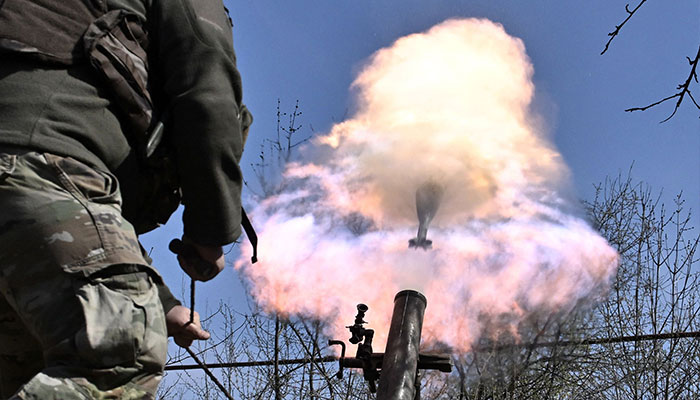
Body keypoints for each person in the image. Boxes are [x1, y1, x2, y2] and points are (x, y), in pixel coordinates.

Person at [0, 0, 250, 397]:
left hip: (27, 188)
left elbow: (78, 222)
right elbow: (208, 96)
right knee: (122, 350)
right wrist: (211, 229)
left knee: (28, 368)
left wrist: (163, 303)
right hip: (35, 163)